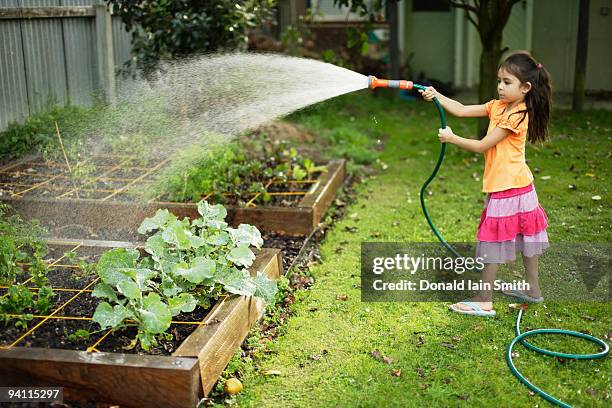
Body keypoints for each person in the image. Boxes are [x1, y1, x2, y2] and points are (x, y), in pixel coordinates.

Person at [419, 51, 552, 317]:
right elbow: (461, 109)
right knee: (525, 238)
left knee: (492, 240)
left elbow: (482, 146)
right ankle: (533, 291)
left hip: (508, 189)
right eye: (499, 81)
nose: (500, 86)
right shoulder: (499, 106)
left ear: (525, 88)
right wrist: (437, 95)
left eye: (507, 82)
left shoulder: (517, 116)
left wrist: (452, 138)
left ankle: (484, 299)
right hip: (518, 186)